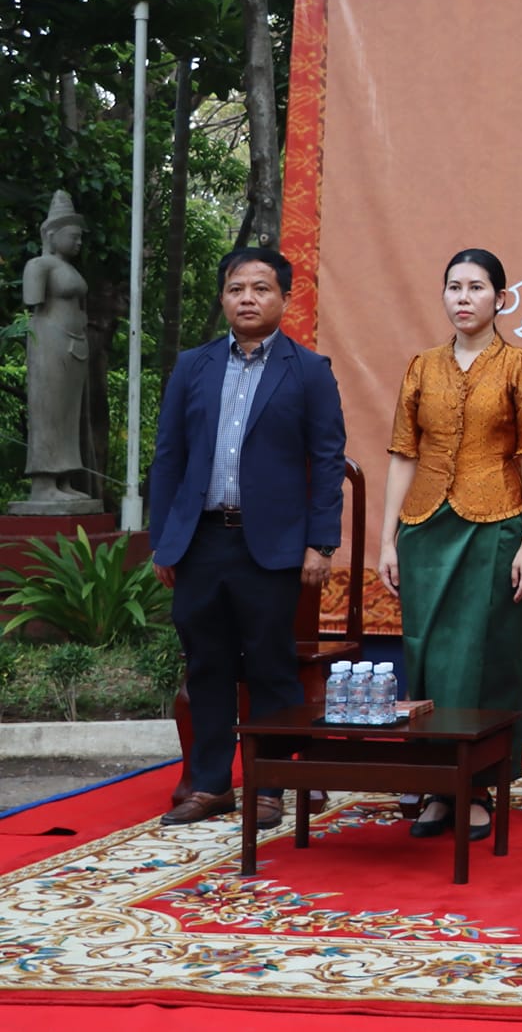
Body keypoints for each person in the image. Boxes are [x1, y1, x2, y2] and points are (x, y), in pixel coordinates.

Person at [149, 248, 347, 827]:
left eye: (261, 289)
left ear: (284, 298)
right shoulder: (194, 366)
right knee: (206, 664)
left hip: (273, 546)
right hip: (201, 541)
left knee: (270, 666)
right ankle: (211, 785)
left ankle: (270, 784)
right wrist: (165, 540)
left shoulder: (308, 370)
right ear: (222, 298)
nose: (248, 299)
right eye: (236, 289)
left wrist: (321, 543)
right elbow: (168, 456)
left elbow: (327, 461)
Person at [378, 250, 522, 842]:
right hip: (425, 527)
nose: (464, 298)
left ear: (500, 299)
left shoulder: (521, 365)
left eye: (477, 287)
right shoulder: (422, 366)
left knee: (483, 654)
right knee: (425, 653)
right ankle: (435, 785)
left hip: (495, 525)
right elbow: (403, 455)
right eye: (454, 287)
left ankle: (477, 787)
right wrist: (388, 539)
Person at [19, 190, 92, 508]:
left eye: (80, 237)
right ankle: (43, 483)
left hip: (74, 344)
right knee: (47, 409)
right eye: (72, 236)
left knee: (67, 414)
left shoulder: (70, 269)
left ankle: (62, 478)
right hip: (49, 341)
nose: (78, 242)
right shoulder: (39, 265)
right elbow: (32, 302)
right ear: (52, 235)